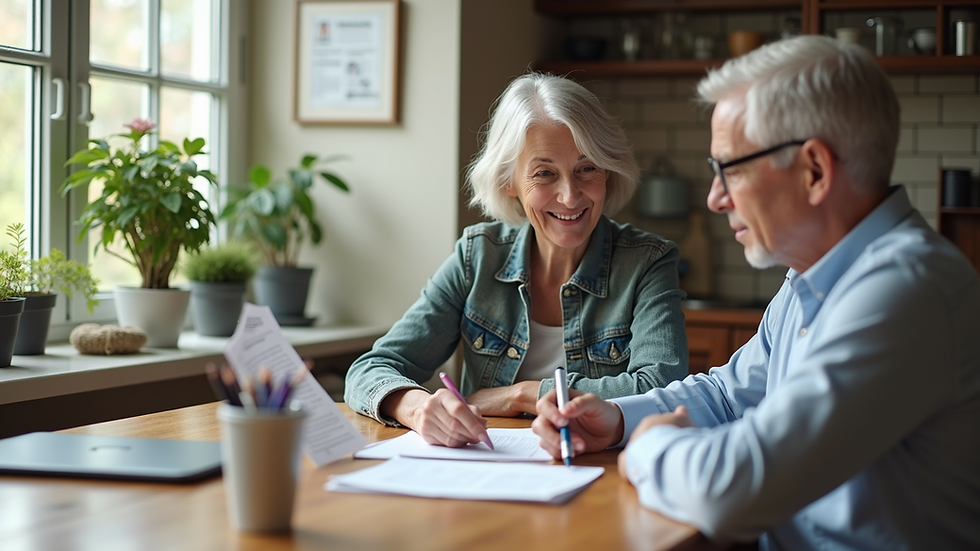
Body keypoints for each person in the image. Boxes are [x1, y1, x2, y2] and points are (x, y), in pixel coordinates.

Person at [532, 35, 980, 550]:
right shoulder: (813, 276)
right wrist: (615, 421)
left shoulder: (905, 291)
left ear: (814, 171)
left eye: (731, 169)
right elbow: (729, 396)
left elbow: (733, 489)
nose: (715, 198)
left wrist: (653, 445)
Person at [345, 72, 688, 448]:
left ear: (607, 170)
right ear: (508, 180)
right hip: (488, 472)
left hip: (596, 470)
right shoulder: (477, 256)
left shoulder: (648, 262)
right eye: (544, 173)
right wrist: (417, 407)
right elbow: (368, 370)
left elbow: (660, 388)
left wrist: (520, 394)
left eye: (586, 168)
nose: (570, 196)